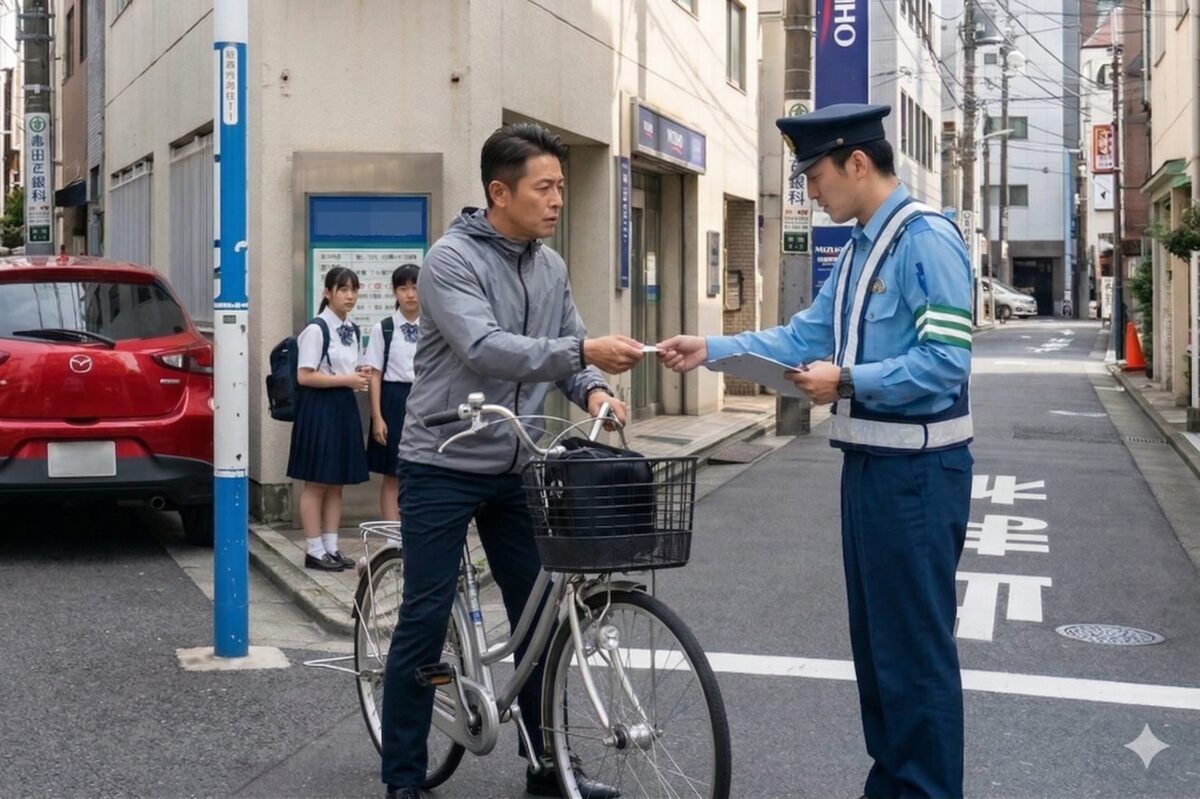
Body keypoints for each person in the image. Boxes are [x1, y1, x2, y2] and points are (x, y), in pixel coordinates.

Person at [659, 103, 974, 799]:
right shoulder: (864, 247)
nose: (810, 191)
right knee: (879, 651)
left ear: (857, 163)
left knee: (914, 654)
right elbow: (804, 335)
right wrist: (711, 348)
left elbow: (947, 361)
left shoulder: (926, 240)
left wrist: (851, 378)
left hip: (918, 476)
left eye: (815, 175)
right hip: (869, 468)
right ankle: (892, 786)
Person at [380, 122, 643, 799]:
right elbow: (486, 347)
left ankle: (548, 765)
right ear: (500, 192)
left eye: (562, 186)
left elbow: (567, 345)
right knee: (425, 613)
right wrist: (580, 356)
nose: (557, 199)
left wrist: (595, 391)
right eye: (545, 187)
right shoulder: (450, 260)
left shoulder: (549, 266)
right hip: (442, 459)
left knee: (541, 620)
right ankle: (404, 778)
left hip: (517, 463)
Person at [286, 265, 370, 571]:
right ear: (328, 293)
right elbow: (305, 376)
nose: (350, 296)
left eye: (354, 290)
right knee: (317, 482)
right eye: (343, 289)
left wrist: (359, 375)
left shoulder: (353, 329)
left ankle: (331, 547)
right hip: (319, 407)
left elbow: (349, 369)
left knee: (337, 483)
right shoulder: (316, 329)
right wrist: (347, 380)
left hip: (343, 406)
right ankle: (313, 549)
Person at [364, 263, 422, 521]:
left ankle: (417, 532)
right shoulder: (383, 329)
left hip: (426, 400)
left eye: (415, 287)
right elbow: (375, 374)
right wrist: (377, 417)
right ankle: (392, 539)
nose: (410, 294)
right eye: (403, 288)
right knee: (393, 473)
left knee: (425, 470)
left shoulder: (435, 326)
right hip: (393, 400)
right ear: (394, 292)